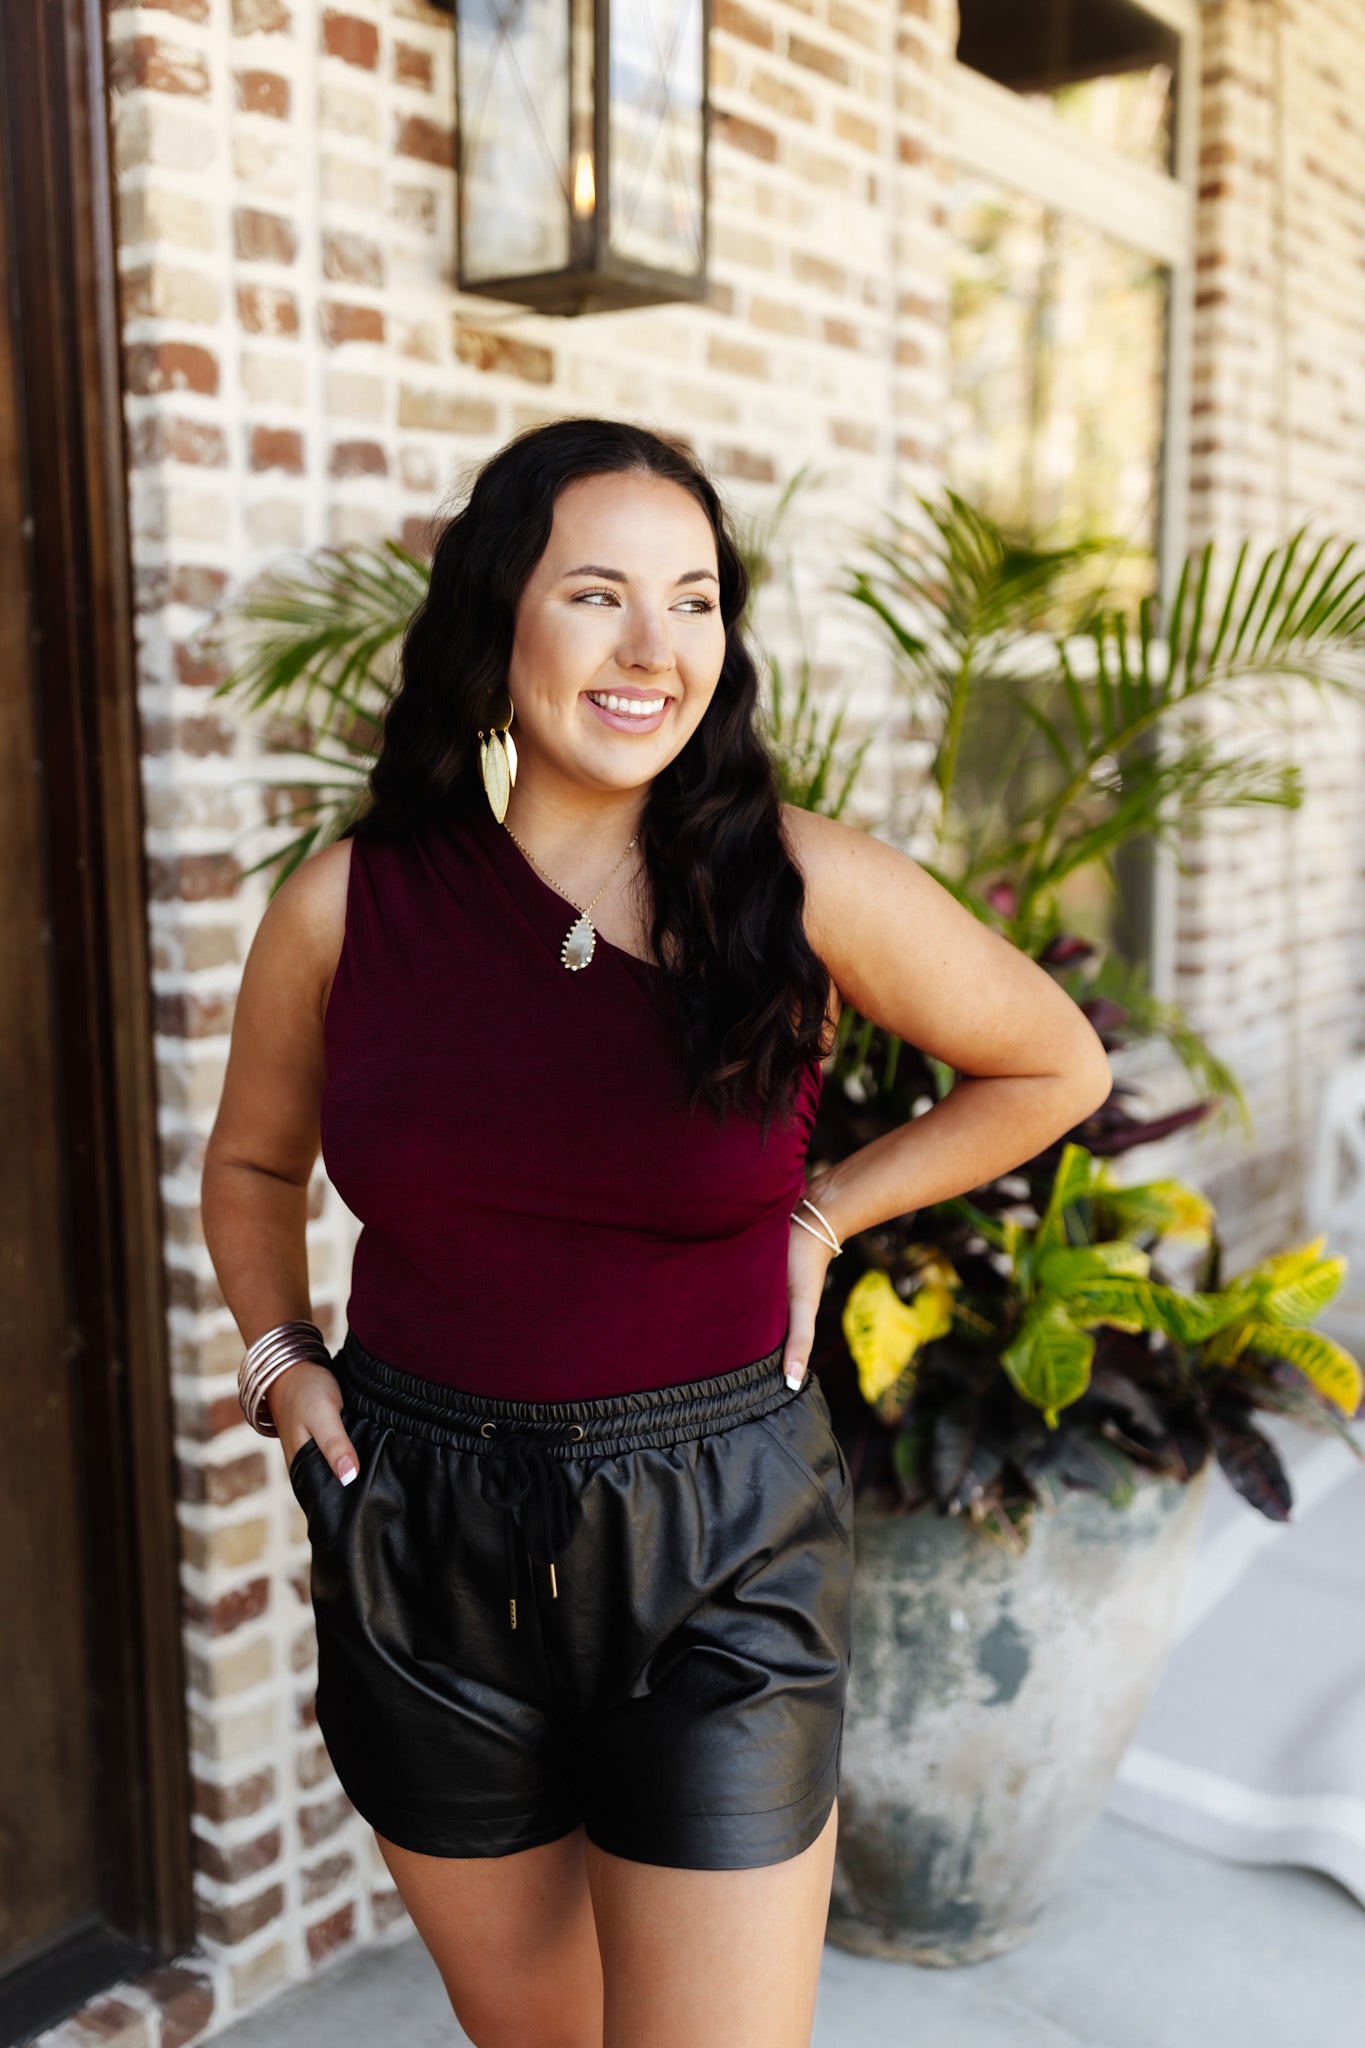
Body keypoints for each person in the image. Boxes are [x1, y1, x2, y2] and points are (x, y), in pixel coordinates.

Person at [201, 417, 1111, 2048]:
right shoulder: (348, 907)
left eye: (693, 602)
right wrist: (284, 1365)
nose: (652, 649)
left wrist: (828, 1207)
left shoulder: (796, 885)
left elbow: (1051, 1061)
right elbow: (254, 1166)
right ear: (499, 618)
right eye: (598, 595)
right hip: (420, 1539)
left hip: (718, 1541)